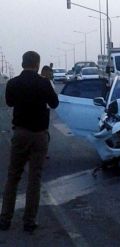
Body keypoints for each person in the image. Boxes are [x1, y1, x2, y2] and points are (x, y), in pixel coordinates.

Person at [0, 51, 59, 232]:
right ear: (37, 64)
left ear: (22, 63)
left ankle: (5, 219)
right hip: (39, 135)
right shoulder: (44, 83)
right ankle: (29, 221)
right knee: (35, 178)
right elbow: (55, 103)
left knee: (13, 176)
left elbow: (9, 103)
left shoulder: (13, 83)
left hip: (20, 133)